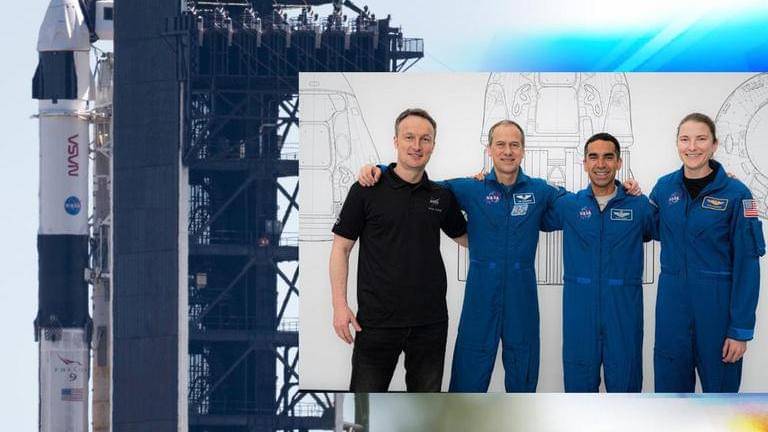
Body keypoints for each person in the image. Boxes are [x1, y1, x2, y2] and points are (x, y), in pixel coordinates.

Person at [329, 108, 468, 392]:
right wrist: (339, 306)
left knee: (424, 413)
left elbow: (467, 239)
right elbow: (341, 248)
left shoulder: (440, 196)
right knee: (363, 411)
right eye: (409, 137)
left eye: (425, 139)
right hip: (376, 323)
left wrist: (488, 191)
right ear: (396, 141)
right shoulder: (366, 189)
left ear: (433, 145)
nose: (417, 146)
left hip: (430, 324)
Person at [650, 112, 765, 392]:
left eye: (701, 139)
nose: (692, 147)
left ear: (714, 144)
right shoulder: (664, 188)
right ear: (677, 144)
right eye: (685, 139)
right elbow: (645, 227)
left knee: (721, 403)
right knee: (670, 402)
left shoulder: (739, 194)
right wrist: (628, 192)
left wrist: (740, 330)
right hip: (672, 314)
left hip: (717, 316)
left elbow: (748, 266)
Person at [542, 133, 655, 392]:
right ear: (584, 163)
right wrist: (486, 181)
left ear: (618, 162)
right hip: (580, 313)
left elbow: (671, 224)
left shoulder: (638, 206)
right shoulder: (569, 206)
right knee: (579, 393)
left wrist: (722, 180)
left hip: (623, 313)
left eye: (608, 157)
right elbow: (529, 207)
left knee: (626, 393)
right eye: (593, 157)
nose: (601, 164)